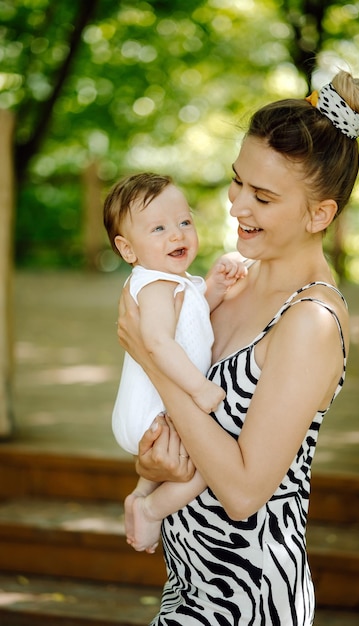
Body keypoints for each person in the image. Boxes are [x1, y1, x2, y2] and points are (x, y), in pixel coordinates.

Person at [117, 70, 359, 625]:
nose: (236, 206)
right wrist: (152, 463)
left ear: (318, 215)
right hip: (188, 582)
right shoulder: (233, 279)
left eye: (263, 196)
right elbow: (193, 429)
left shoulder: (310, 321)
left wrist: (154, 358)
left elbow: (245, 491)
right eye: (237, 182)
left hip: (250, 595)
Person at [103, 172, 247, 553]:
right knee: (213, 462)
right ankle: (152, 510)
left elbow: (192, 320)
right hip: (153, 412)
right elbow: (156, 342)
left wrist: (213, 287)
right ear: (128, 249)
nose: (178, 235)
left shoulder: (174, 282)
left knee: (201, 455)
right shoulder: (154, 286)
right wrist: (200, 389)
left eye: (185, 222)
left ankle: (139, 496)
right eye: (159, 228)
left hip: (155, 410)